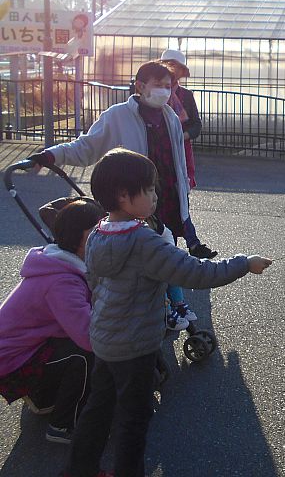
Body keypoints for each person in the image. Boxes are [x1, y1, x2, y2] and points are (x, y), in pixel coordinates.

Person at [62, 148, 272, 477]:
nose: (156, 195)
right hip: (134, 347)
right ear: (123, 195)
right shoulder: (144, 242)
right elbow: (198, 274)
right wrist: (244, 263)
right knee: (134, 420)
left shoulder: (99, 232)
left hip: (104, 339)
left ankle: (78, 470)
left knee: (98, 410)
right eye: (148, 189)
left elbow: (93, 281)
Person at [27, 60, 216, 332]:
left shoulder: (170, 116)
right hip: (132, 201)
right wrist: (52, 154)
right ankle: (162, 309)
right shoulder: (117, 115)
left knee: (165, 251)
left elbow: (178, 159)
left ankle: (172, 305)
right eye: (158, 85)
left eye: (168, 86)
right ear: (140, 86)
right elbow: (87, 147)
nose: (164, 91)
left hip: (165, 199)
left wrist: (184, 189)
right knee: (146, 258)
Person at [0, 199, 105, 444]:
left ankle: (44, 395)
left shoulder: (60, 262)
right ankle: (62, 425)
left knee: (80, 346)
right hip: (10, 361)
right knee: (86, 353)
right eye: (96, 232)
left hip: (24, 347)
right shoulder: (62, 282)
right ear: (77, 237)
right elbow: (89, 338)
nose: (103, 238)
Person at [159, 48, 216, 330]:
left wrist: (181, 134)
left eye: (178, 69)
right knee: (160, 210)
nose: (175, 73)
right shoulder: (153, 93)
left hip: (181, 153)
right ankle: (186, 247)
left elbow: (196, 124)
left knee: (178, 202)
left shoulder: (186, 96)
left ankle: (180, 250)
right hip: (155, 161)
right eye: (171, 68)